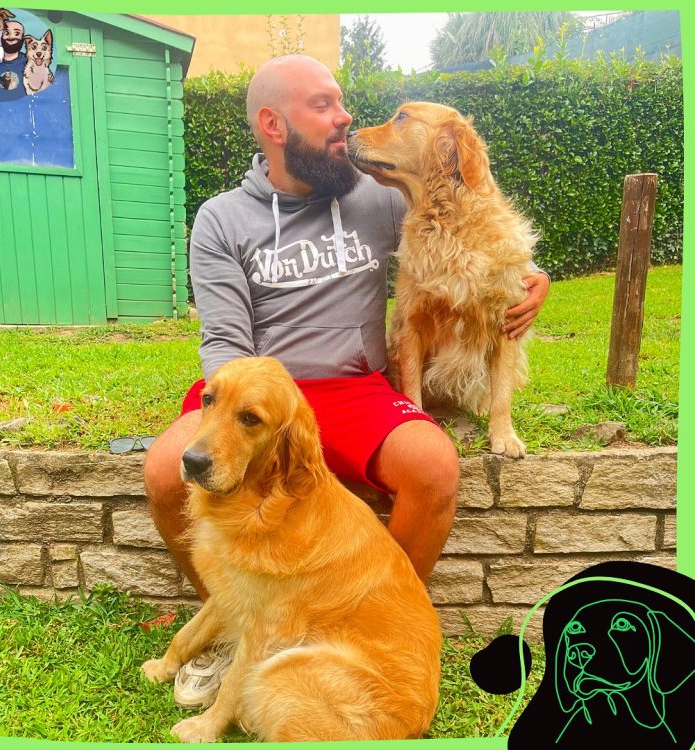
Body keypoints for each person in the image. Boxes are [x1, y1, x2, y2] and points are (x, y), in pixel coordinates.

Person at [143, 54, 550, 709]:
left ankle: (368, 621)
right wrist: (255, 419)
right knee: (166, 472)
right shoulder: (222, 220)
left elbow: (466, 223)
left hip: (353, 388)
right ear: (274, 124)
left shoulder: (377, 197)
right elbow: (225, 346)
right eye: (323, 105)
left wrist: (532, 277)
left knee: (433, 468)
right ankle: (229, 634)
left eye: (340, 101)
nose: (345, 117)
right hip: (258, 391)